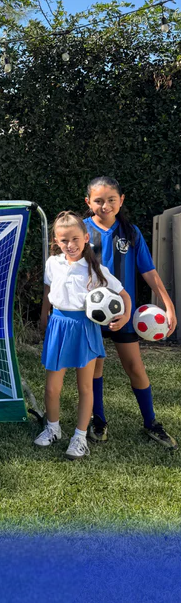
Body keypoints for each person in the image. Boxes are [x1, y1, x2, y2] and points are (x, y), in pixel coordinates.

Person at [84, 176, 178, 448]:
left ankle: (151, 422)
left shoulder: (131, 232)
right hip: (91, 315)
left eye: (111, 200)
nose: (105, 205)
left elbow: (148, 271)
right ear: (88, 202)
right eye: (98, 200)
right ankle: (98, 420)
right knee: (95, 367)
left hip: (124, 314)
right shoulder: (82, 230)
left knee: (135, 367)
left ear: (121, 200)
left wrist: (168, 305)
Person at [35, 211, 131, 460]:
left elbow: (123, 295)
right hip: (58, 326)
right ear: (56, 241)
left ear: (86, 238)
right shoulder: (52, 263)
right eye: (64, 240)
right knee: (52, 388)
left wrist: (125, 316)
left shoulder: (95, 268)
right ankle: (53, 428)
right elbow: (47, 290)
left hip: (85, 328)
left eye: (75, 239)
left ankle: (79, 437)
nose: (70, 245)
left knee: (85, 387)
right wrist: (44, 314)